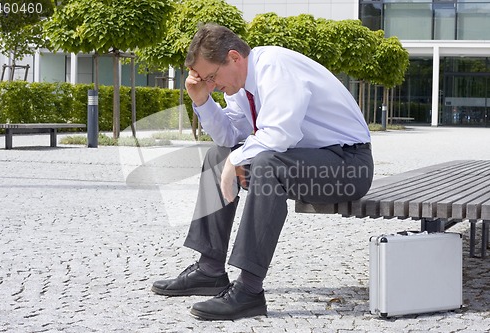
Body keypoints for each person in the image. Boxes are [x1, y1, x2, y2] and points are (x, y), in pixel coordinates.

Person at [152, 23, 374, 321]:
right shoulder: (242, 87)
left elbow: (280, 135)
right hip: (309, 162)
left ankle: (249, 291)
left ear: (234, 58)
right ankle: (209, 269)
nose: (212, 84)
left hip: (348, 166)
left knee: (269, 164)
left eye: (212, 76)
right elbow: (228, 139)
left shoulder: (275, 67)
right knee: (218, 156)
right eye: (206, 79)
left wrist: (236, 162)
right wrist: (201, 100)